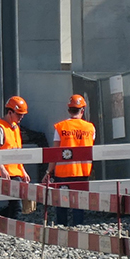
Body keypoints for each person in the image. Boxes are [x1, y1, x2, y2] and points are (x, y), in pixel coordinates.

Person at [47, 95, 96, 226]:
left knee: (61, 203)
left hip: (63, 172)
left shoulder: (61, 127)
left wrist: (49, 171)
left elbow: (54, 153)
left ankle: (62, 228)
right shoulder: (90, 128)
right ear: (83, 110)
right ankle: (78, 228)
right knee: (78, 204)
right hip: (82, 173)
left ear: (69, 110)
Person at [0, 96, 29, 219]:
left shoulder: (15, 127)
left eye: (22, 115)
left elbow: (16, 152)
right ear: (10, 112)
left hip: (14, 172)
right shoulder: (0, 128)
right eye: (19, 114)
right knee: (17, 205)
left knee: (14, 203)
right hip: (6, 173)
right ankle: (13, 229)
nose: (21, 117)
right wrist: (2, 169)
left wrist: (23, 171)